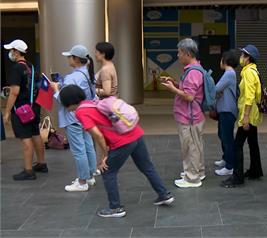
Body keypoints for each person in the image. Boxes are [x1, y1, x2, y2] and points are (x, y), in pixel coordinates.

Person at [59, 85, 174, 218]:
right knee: (147, 166)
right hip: (135, 132)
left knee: (107, 171)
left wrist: (104, 155)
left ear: (68, 103)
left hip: (122, 141)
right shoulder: (92, 102)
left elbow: (97, 135)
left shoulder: (80, 112)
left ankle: (115, 208)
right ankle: (164, 194)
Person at [50, 44, 97, 192]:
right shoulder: (88, 74)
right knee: (88, 145)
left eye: (70, 56)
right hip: (86, 115)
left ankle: (82, 181)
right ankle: (89, 176)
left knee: (78, 150)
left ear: (76, 59)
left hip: (73, 117)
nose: (68, 59)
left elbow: (64, 100)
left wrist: (56, 89)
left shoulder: (72, 77)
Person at [161, 38, 206, 188]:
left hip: (189, 116)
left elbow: (189, 96)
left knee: (190, 146)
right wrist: (175, 84)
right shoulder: (195, 68)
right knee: (196, 145)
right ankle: (198, 171)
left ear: (187, 53)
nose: (178, 55)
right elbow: (188, 90)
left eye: (179, 53)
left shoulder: (192, 72)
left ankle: (192, 178)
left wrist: (172, 89)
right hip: (194, 115)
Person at [2, 39, 47, 180]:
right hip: (33, 106)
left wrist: (7, 111)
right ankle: (41, 163)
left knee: (25, 138)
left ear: (16, 52)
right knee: (35, 133)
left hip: (22, 109)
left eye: (11, 50)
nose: (10, 53)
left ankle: (28, 171)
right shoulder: (30, 66)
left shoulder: (16, 68)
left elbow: (15, 92)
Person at [221, 44, 263, 188]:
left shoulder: (248, 72)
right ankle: (256, 171)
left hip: (248, 114)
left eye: (243, 55)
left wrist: (245, 117)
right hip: (252, 113)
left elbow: (250, 96)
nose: (240, 57)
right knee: (252, 143)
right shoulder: (252, 71)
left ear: (248, 58)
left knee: (237, 145)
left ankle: (237, 178)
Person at [213, 50, 239, 176]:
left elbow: (216, 89)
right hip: (225, 109)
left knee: (227, 137)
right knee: (222, 134)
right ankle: (226, 158)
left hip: (227, 110)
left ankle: (230, 166)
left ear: (225, 60)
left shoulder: (229, 73)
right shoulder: (229, 73)